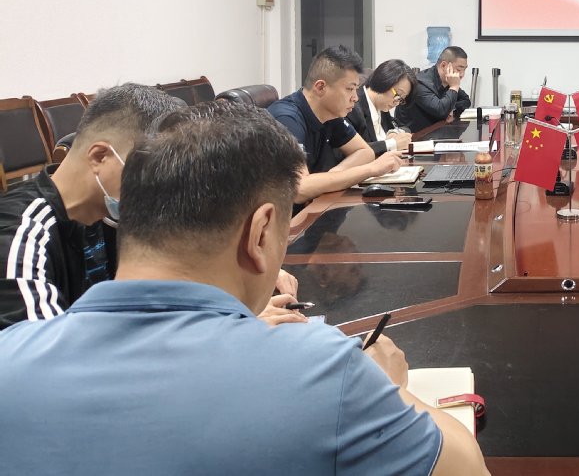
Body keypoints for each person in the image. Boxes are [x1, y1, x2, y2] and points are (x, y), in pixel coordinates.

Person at [0, 101, 490, 475]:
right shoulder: (324, 374)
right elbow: (467, 466)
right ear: (260, 234)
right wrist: (389, 388)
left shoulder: (10, 356)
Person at [0, 83, 182, 330]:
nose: (156, 188)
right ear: (99, 157)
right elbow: (40, 348)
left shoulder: (109, 216)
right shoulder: (20, 234)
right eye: (150, 172)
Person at [269, 45, 405, 205]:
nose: (355, 98)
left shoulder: (331, 113)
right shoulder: (286, 118)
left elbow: (365, 152)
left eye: (356, 89)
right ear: (321, 87)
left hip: (316, 205)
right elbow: (299, 189)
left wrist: (331, 177)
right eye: (349, 89)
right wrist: (371, 169)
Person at [395, 46, 471, 133]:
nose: (462, 74)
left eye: (464, 69)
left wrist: (451, 108)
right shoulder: (420, 83)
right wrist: (454, 87)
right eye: (459, 69)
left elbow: (465, 100)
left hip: (436, 131)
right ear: (443, 65)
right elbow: (441, 111)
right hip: (413, 135)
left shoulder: (447, 81)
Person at [348, 59, 416, 156]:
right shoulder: (352, 107)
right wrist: (391, 143)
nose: (397, 103)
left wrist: (395, 133)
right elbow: (352, 150)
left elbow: (403, 127)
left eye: (401, 99)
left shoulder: (382, 106)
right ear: (384, 81)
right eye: (398, 94)